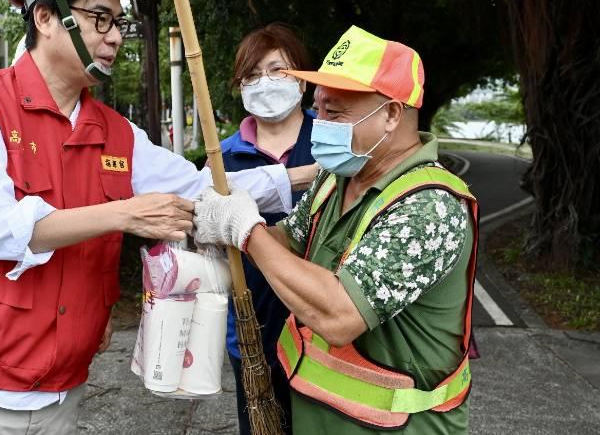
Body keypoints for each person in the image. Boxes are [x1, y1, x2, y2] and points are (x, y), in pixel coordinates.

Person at [0, 0, 317, 434]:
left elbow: (202, 188)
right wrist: (125, 213)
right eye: (99, 18)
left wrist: (311, 174)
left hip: (63, 389)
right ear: (45, 16)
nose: (115, 36)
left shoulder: (115, 133)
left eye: (119, 22)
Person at [194, 26, 479, 434]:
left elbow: (340, 315)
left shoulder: (430, 206)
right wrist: (217, 227)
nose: (320, 123)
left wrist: (247, 229)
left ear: (391, 115)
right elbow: (288, 241)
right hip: (318, 414)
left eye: (335, 112)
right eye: (319, 106)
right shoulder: (336, 178)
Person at [221, 23, 316, 435]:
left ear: (302, 78)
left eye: (277, 70)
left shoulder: (333, 141)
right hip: (250, 331)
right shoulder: (221, 157)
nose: (265, 82)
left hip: (324, 331)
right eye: (252, 74)